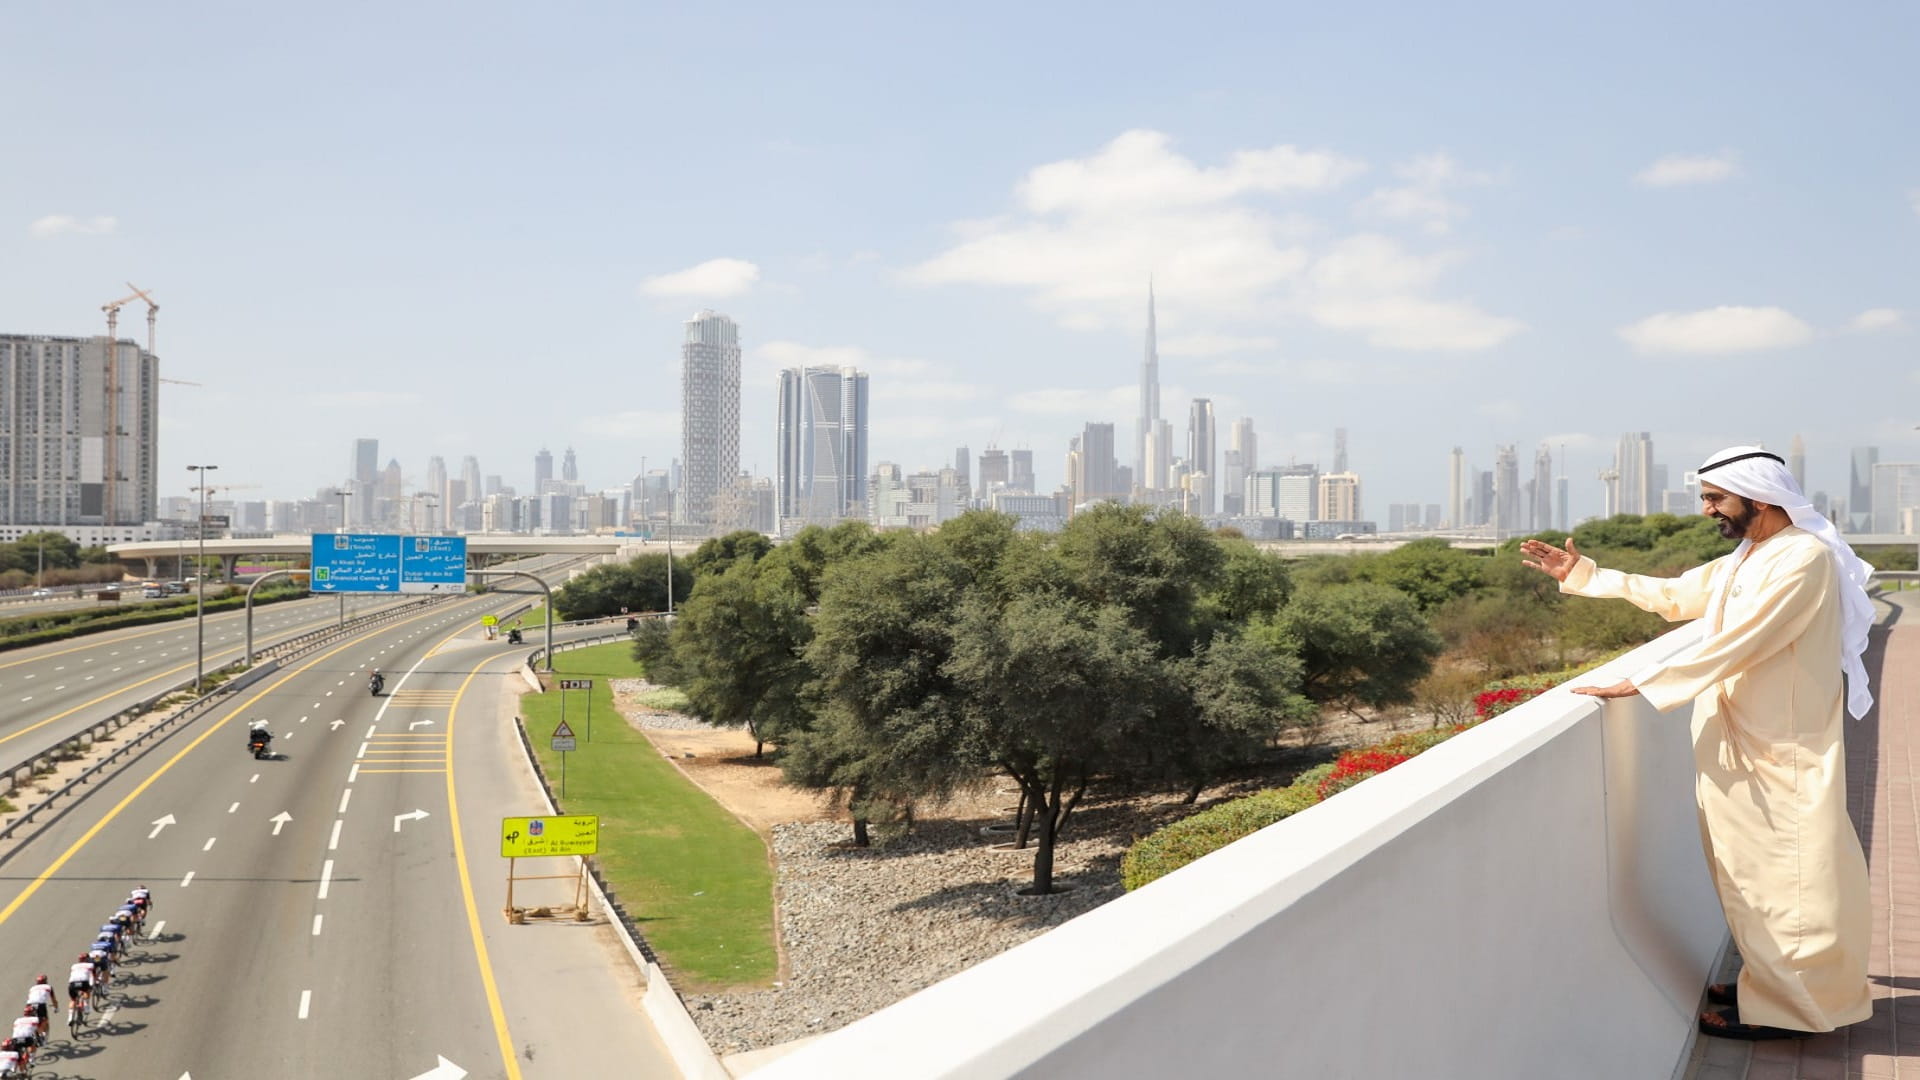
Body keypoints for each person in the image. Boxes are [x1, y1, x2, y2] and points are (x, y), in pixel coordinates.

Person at [1521, 445, 1875, 1042]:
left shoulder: (1803, 558)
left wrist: (1646, 679)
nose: (1709, 509)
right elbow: (1679, 597)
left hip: (1781, 745)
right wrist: (1583, 576)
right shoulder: (1752, 555)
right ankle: (1773, 981)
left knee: (1788, 875)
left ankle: (1798, 1010)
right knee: (1744, 868)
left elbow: (1744, 640)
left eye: (1716, 498)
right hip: (1742, 739)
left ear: (1757, 497)